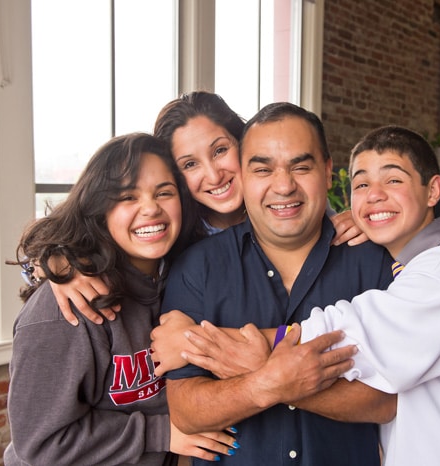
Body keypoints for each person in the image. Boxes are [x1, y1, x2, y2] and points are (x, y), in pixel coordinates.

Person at [156, 102, 397, 466]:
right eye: (263, 169)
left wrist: (270, 376)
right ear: (246, 174)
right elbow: (188, 411)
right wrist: (270, 382)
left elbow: (387, 401)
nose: (284, 185)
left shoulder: (374, 259)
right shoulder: (195, 265)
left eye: (301, 167)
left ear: (330, 172)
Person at [290, 126, 440, 465]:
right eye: (361, 185)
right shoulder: (416, 261)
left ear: (432, 190)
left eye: (393, 181)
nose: (374, 194)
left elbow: (337, 339)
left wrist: (242, 350)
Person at [4, 133, 236, 465]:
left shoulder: (180, 280)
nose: (151, 208)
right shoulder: (67, 307)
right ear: (99, 208)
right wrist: (162, 433)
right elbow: (41, 444)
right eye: (127, 196)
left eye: (164, 192)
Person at [49, 91, 365, 324]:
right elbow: (85, 230)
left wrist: (362, 219)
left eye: (220, 150)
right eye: (189, 164)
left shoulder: (292, 208)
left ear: (245, 146)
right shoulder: (173, 231)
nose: (213, 175)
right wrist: (59, 262)